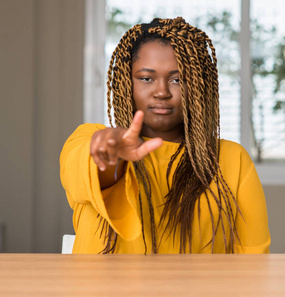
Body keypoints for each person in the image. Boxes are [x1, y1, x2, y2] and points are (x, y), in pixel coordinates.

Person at [60, 17, 271, 254]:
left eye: (178, 80)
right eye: (146, 78)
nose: (161, 92)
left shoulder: (232, 159)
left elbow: (253, 262)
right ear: (125, 83)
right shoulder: (89, 139)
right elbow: (85, 177)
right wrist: (110, 157)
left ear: (199, 86)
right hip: (102, 292)